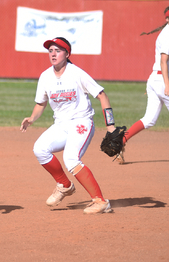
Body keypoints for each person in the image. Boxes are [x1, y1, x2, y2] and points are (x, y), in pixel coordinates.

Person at [20, 37, 115, 214]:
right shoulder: (45, 76)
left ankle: (100, 201)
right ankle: (64, 185)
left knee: (71, 159)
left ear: (67, 54)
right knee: (39, 148)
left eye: (58, 50)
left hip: (81, 122)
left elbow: (102, 95)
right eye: (50, 51)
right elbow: (41, 103)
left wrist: (110, 126)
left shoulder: (77, 73)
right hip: (61, 124)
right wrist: (32, 118)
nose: (53, 54)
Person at [118, 5, 169, 166]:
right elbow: (163, 61)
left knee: (149, 119)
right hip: (163, 78)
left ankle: (121, 140)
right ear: (167, 18)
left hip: (155, 79)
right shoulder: (168, 35)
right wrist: (167, 85)